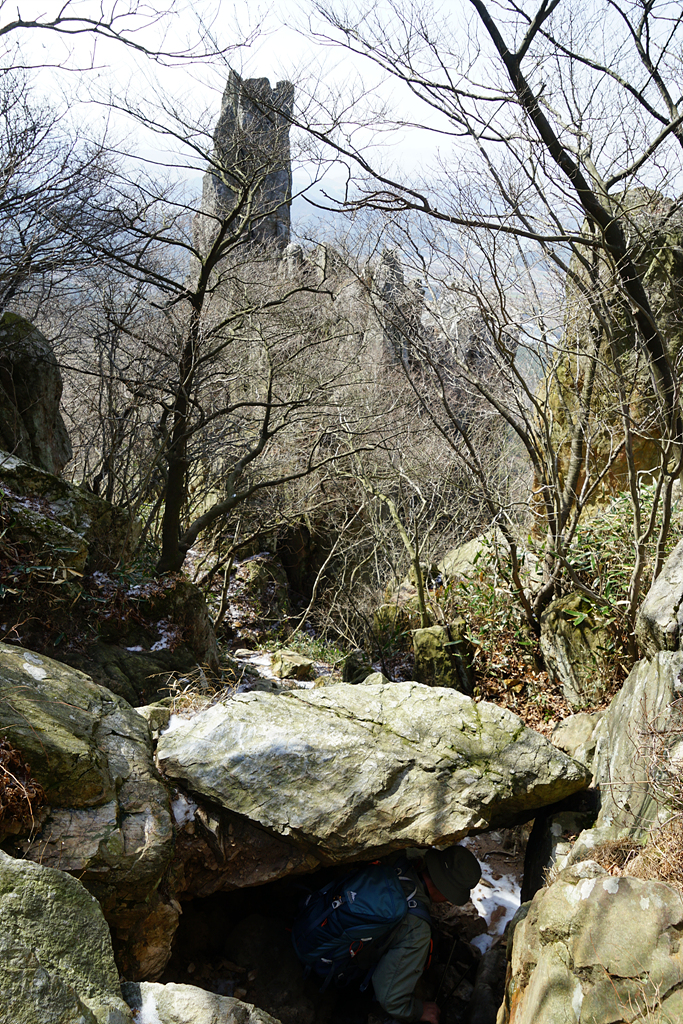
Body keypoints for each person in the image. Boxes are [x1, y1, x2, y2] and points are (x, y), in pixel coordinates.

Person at [370, 845, 482, 1024]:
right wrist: (418, 1010)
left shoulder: (396, 857)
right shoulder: (418, 930)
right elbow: (391, 999)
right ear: (445, 892)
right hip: (338, 961)